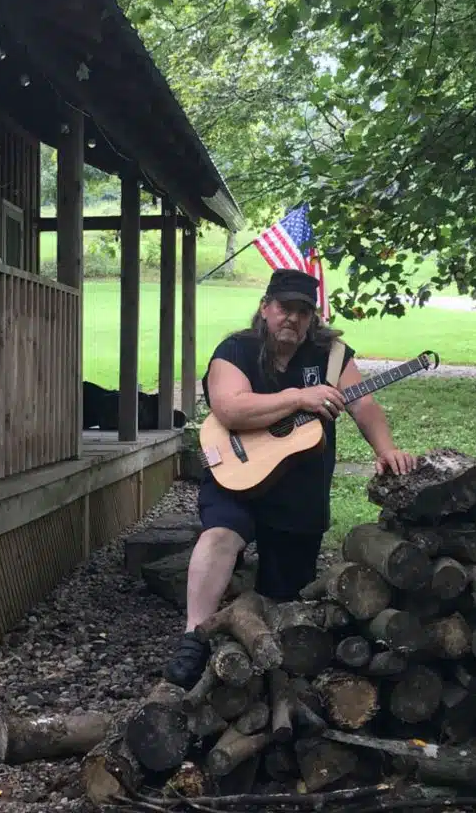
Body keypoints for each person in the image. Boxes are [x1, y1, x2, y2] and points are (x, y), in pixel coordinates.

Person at [164, 267, 415, 688]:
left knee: (286, 595)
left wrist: (385, 449)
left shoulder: (331, 356)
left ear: (312, 317)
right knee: (220, 536)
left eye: (303, 311)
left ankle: (266, 669)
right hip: (235, 476)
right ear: (265, 307)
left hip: (301, 489)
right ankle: (194, 636)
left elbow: (364, 404)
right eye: (285, 308)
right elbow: (229, 408)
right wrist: (299, 397)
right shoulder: (236, 349)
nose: (293, 318)